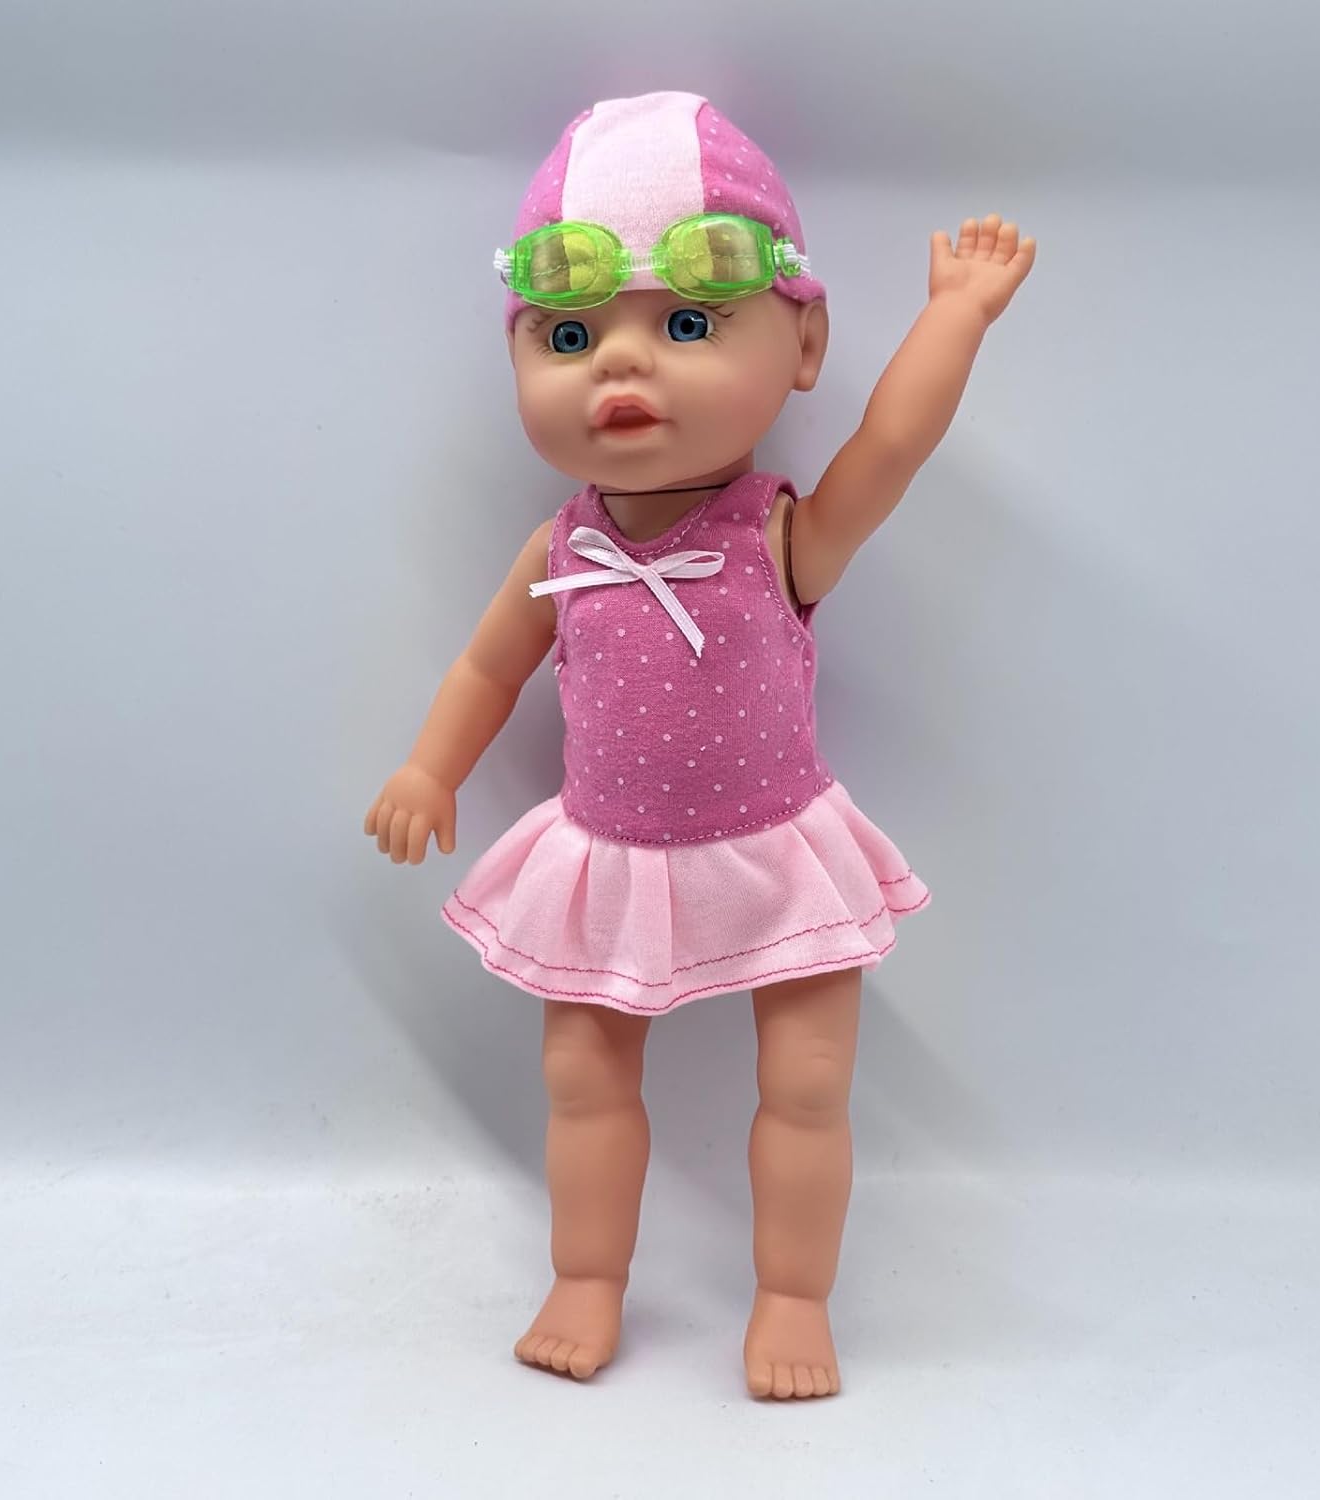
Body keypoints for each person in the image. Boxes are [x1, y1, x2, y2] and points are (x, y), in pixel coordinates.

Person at [364, 90, 1036, 1399]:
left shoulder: (778, 537)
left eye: (686, 324)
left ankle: (793, 1296)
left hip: (780, 849)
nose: (621, 369)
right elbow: (489, 665)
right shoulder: (563, 550)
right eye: (569, 336)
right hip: (606, 852)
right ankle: (586, 1276)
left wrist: (956, 315)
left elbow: (890, 448)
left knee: (808, 1085)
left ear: (804, 342)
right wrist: (430, 767)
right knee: (581, 1078)